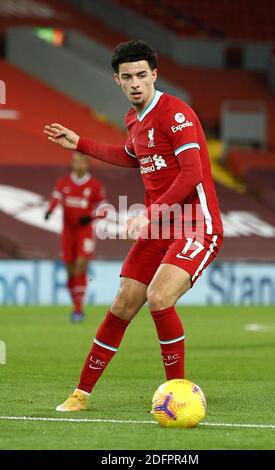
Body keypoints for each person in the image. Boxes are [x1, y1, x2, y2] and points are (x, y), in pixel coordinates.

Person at [44, 40, 223, 411]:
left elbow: (192, 174)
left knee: (159, 298)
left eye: (142, 75)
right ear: (118, 81)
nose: (136, 83)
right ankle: (81, 394)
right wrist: (79, 142)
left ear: (154, 75)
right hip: (160, 228)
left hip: (196, 224)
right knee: (123, 303)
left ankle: (178, 394)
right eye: (128, 77)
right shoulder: (133, 120)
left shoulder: (176, 114)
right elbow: (130, 155)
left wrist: (150, 215)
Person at [45, 152, 106, 323]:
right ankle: (76, 305)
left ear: (87, 164)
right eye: (75, 161)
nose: (77, 165)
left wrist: (91, 217)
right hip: (67, 232)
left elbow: (104, 209)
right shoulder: (63, 182)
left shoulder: (94, 185)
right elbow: (55, 199)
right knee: (70, 270)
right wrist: (49, 211)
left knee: (80, 266)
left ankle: (78, 310)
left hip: (84, 231)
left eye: (81, 161)